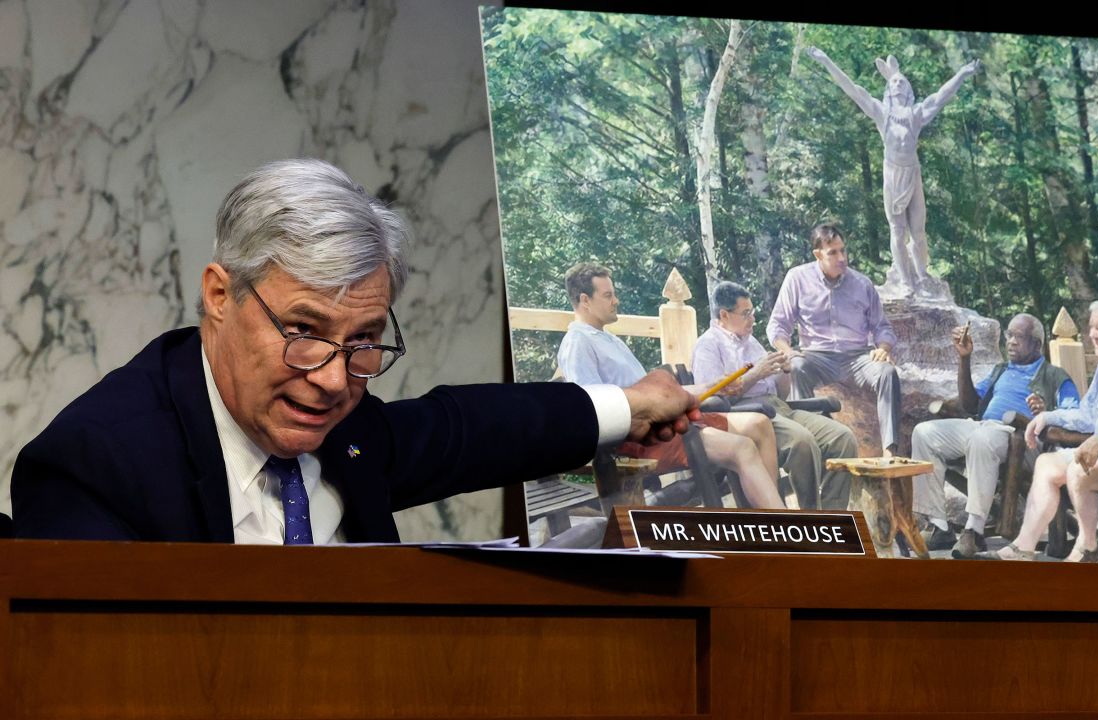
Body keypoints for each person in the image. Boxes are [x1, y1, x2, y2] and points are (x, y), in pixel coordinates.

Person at [12, 159, 698, 543]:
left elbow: (471, 430)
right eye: (304, 332)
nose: (334, 381)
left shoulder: (348, 428)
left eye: (365, 342)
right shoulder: (94, 464)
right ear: (220, 296)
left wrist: (632, 406)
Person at [558, 263, 785, 509]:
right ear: (585, 300)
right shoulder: (578, 342)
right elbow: (594, 409)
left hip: (666, 422)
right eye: (608, 295)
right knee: (742, 447)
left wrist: (714, 386)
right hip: (641, 439)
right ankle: (775, 525)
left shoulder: (608, 339)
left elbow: (655, 396)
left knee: (759, 424)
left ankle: (765, 517)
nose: (616, 300)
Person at [985, 301, 1098, 562]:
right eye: (1090, 328)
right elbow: (1087, 415)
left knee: (1077, 468)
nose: (1091, 335)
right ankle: (1024, 548)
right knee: (1046, 463)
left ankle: (1088, 548)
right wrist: (1046, 417)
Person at [805, 47, 979, 298]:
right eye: (893, 81)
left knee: (918, 231)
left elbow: (941, 96)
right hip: (893, 174)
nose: (897, 83)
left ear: (907, 90)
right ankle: (906, 281)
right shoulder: (881, 112)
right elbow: (851, 88)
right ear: (889, 88)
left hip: (912, 173)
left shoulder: (916, 114)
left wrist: (963, 73)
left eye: (901, 81)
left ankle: (922, 274)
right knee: (897, 230)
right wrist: (826, 61)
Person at [910, 313, 1080, 558]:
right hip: (984, 427)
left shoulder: (1055, 376)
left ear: (1036, 344)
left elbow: (1075, 414)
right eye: (1009, 335)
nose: (1010, 341)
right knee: (924, 433)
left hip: (1021, 439)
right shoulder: (1000, 371)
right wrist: (964, 359)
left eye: (1018, 337)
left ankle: (974, 531)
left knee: (983, 439)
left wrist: (1048, 413)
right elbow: (970, 404)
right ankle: (940, 526)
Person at [692, 281, 859, 510]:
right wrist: (755, 374)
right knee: (802, 442)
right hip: (750, 414)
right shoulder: (708, 345)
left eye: (752, 312)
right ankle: (812, 518)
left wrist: (785, 371)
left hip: (780, 407)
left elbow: (780, 392)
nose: (752, 319)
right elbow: (713, 398)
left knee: (843, 437)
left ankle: (832, 516)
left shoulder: (751, 342)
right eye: (746, 313)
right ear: (724, 314)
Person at [766, 223, 901, 455]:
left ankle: (890, 449)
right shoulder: (797, 279)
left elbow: (882, 327)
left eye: (843, 250)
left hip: (857, 357)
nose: (841, 258)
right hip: (817, 356)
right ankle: (811, 445)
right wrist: (787, 350)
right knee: (797, 366)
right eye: (833, 252)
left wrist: (884, 348)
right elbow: (777, 325)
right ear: (817, 255)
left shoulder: (862, 284)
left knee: (887, 372)